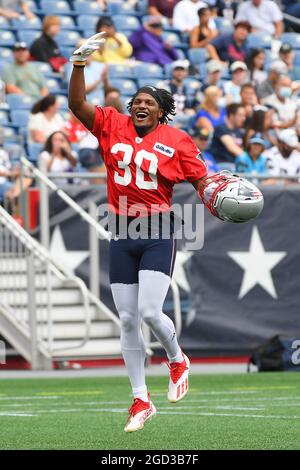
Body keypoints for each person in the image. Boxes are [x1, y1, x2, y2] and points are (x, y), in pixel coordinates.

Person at [68, 33, 210, 433]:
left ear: (163, 111)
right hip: (121, 229)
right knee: (128, 320)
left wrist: (215, 195)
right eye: (138, 102)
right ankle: (140, 399)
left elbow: (201, 182)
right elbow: (77, 104)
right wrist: (79, 64)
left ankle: (177, 358)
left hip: (157, 229)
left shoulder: (178, 141)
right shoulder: (113, 124)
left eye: (150, 103)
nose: (141, 105)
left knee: (149, 311)